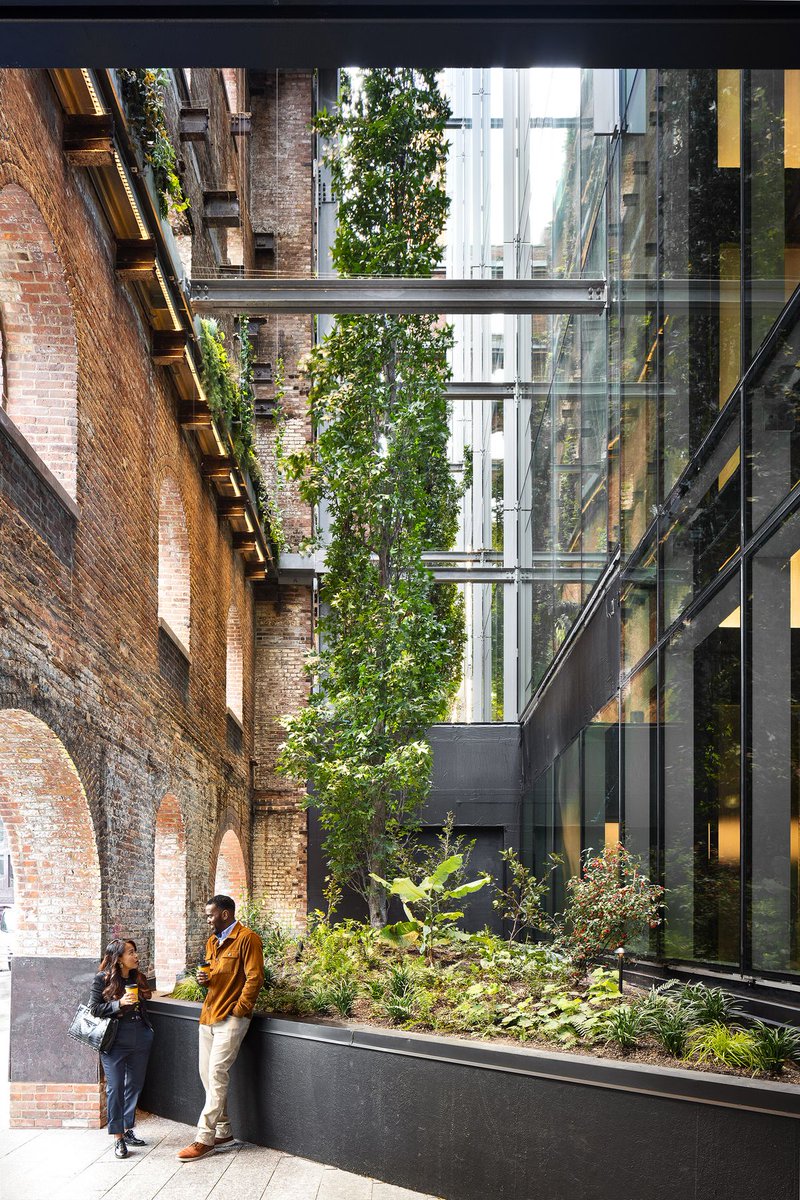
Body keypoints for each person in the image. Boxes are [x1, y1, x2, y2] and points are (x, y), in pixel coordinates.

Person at [178, 894, 264, 1161]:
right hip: (209, 1015)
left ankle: (205, 1137)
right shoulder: (212, 942)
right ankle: (224, 1131)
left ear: (225, 914)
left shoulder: (248, 939)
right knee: (206, 1074)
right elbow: (216, 976)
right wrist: (204, 979)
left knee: (216, 1072)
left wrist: (240, 1010)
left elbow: (255, 978)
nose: (207, 919)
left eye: (210, 915)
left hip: (231, 1017)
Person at [89, 938, 154, 1159]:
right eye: (131, 953)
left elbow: (146, 1001)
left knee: (134, 1085)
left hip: (140, 1036)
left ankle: (127, 1129)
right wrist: (119, 1004)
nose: (136, 956)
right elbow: (94, 1008)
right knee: (115, 1087)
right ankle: (118, 1137)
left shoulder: (138, 977)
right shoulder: (103, 978)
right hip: (114, 1040)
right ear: (118, 959)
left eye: (135, 952)